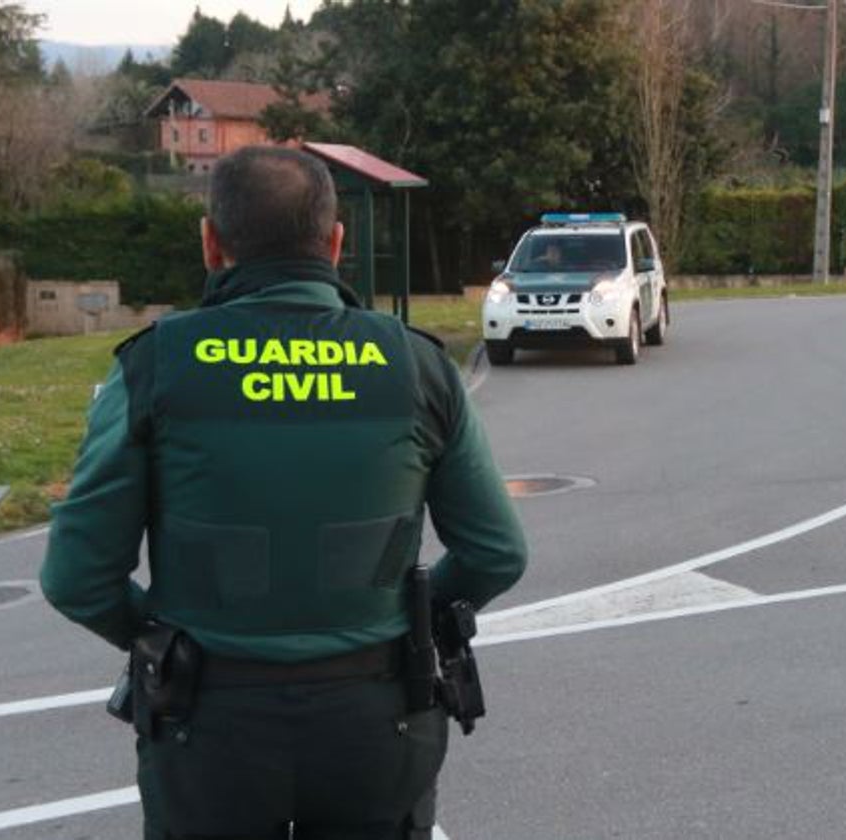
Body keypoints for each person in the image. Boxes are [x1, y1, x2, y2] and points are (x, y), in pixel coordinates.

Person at [40, 145, 527, 840]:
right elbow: (496, 553)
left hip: (209, 726)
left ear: (211, 244)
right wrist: (413, 619)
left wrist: (164, 643)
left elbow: (76, 576)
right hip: (380, 719)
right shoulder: (415, 365)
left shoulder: (157, 365)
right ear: (335, 244)